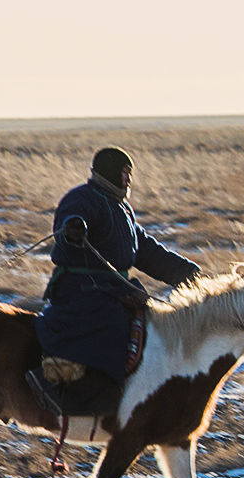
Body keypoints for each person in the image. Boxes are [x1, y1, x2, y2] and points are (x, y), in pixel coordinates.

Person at [28, 146, 202, 418]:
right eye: (125, 172)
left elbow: (144, 250)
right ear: (110, 171)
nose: (129, 179)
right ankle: (66, 389)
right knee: (112, 328)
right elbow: (68, 223)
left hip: (116, 288)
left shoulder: (122, 208)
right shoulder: (81, 199)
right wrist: (74, 229)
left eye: (129, 173)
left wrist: (184, 273)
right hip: (82, 289)